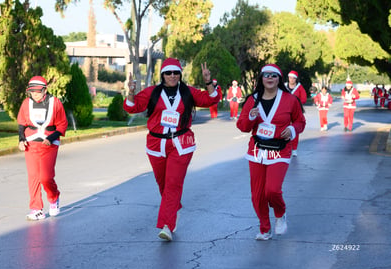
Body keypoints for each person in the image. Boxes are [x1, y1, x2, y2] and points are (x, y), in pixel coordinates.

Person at [123, 58, 220, 241]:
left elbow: (211, 100)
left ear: (180, 75)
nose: (172, 76)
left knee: (173, 183)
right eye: (168, 73)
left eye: (176, 73)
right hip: (156, 144)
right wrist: (130, 93)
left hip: (182, 143)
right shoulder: (152, 92)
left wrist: (208, 82)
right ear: (162, 75)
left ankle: (167, 225)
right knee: (163, 185)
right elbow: (132, 107)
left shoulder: (188, 92)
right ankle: (173, 209)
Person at [236, 64, 306, 241]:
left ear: (279, 79)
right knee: (258, 194)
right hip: (257, 150)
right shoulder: (253, 100)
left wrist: (292, 129)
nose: (269, 78)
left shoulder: (290, 100)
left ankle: (280, 213)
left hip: (280, 150)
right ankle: (265, 228)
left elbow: (300, 121)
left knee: (272, 190)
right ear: (261, 78)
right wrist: (251, 117)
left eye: (273, 75)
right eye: (266, 75)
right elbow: (242, 126)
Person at [17, 76, 68, 221]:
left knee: (45, 177)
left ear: (45, 90)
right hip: (31, 143)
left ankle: (54, 197)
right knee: (33, 177)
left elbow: (62, 124)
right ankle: (36, 209)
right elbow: (21, 122)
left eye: (38, 91)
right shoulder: (26, 103)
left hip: (49, 144)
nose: (35, 94)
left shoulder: (55, 103)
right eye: (32, 91)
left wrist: (50, 138)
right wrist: (21, 139)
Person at [285, 70, 307, 156]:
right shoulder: (284, 86)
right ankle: (286, 147)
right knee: (283, 129)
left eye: (293, 78)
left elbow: (304, 99)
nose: (291, 79)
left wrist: (296, 103)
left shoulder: (299, 87)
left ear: (296, 79)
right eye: (290, 78)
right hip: (284, 111)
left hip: (295, 112)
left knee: (294, 129)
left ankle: (294, 149)